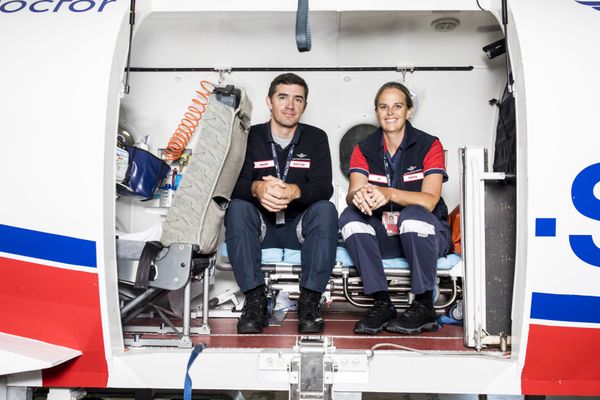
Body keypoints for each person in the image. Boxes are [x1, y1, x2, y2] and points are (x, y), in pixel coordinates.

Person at [225, 73, 338, 334]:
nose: (290, 105)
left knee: (326, 209)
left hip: (299, 230)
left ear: (305, 105)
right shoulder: (250, 136)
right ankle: (255, 300)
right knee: (237, 207)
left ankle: (309, 302)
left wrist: (296, 191)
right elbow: (230, 186)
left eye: (298, 99)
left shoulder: (316, 138)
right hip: (261, 228)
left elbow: (324, 187)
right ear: (269, 101)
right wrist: (257, 188)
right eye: (283, 97)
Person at [339, 81, 451, 335]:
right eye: (383, 107)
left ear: (409, 111)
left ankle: (423, 305)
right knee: (350, 216)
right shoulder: (364, 148)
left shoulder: (429, 145)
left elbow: (430, 200)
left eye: (397, 106)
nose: (390, 113)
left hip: (426, 237)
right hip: (388, 237)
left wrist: (389, 193)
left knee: (412, 215)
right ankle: (382, 303)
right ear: (376, 112)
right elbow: (353, 191)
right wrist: (359, 196)